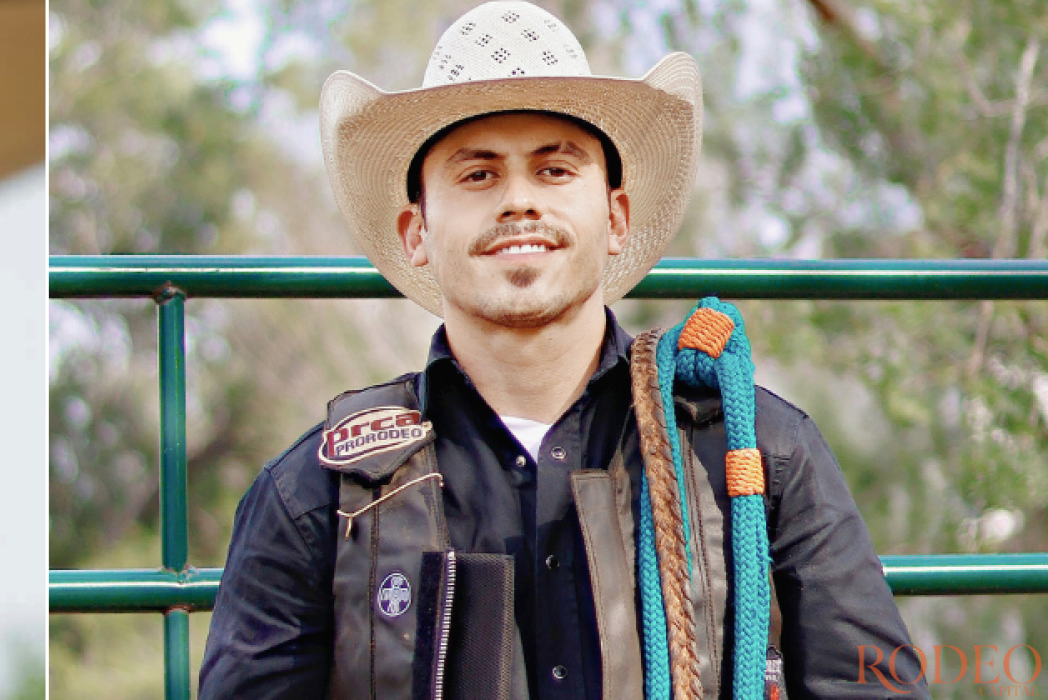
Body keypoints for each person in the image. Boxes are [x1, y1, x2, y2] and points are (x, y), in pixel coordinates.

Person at [198, 3, 925, 698]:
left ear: (615, 217)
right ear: (415, 231)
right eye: (478, 174)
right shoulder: (316, 499)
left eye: (555, 170)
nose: (519, 201)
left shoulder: (759, 454)